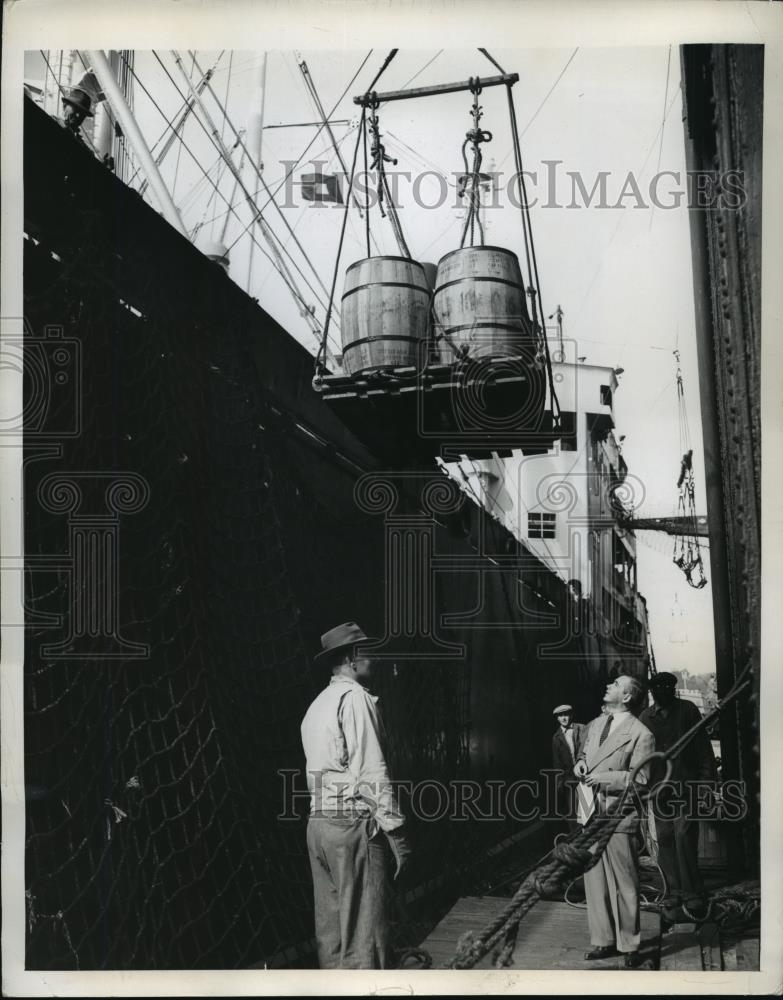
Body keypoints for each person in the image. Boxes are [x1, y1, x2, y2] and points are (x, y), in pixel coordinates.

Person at [300, 621, 412, 969]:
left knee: (331, 934)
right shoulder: (356, 700)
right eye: (369, 652)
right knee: (366, 934)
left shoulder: (316, 706)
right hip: (352, 826)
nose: (374, 659)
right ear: (352, 657)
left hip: (319, 825)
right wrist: (396, 832)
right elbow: (371, 771)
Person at [574, 675, 655, 969]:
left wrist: (603, 778)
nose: (609, 684)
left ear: (627, 697)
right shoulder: (596, 724)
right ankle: (603, 940)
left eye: (616, 684)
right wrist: (581, 763)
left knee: (624, 882)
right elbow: (585, 754)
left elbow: (642, 781)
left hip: (618, 816)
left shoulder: (641, 734)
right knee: (594, 882)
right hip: (589, 811)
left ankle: (629, 943)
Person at [640, 671, 717, 925]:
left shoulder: (687, 711)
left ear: (672, 689)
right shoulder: (646, 718)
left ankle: (692, 891)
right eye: (658, 687)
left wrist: (706, 783)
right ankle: (673, 891)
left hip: (686, 786)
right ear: (652, 691)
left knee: (684, 835)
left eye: (667, 687)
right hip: (659, 790)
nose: (663, 691)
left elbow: (703, 748)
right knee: (664, 838)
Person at [550, 704, 585, 829]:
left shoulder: (581, 728)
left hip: (585, 776)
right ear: (557, 719)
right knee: (573, 812)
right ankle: (576, 840)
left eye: (566, 714)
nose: (563, 718)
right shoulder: (556, 737)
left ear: (571, 715)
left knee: (587, 808)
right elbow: (557, 763)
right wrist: (560, 782)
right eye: (560, 716)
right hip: (569, 779)